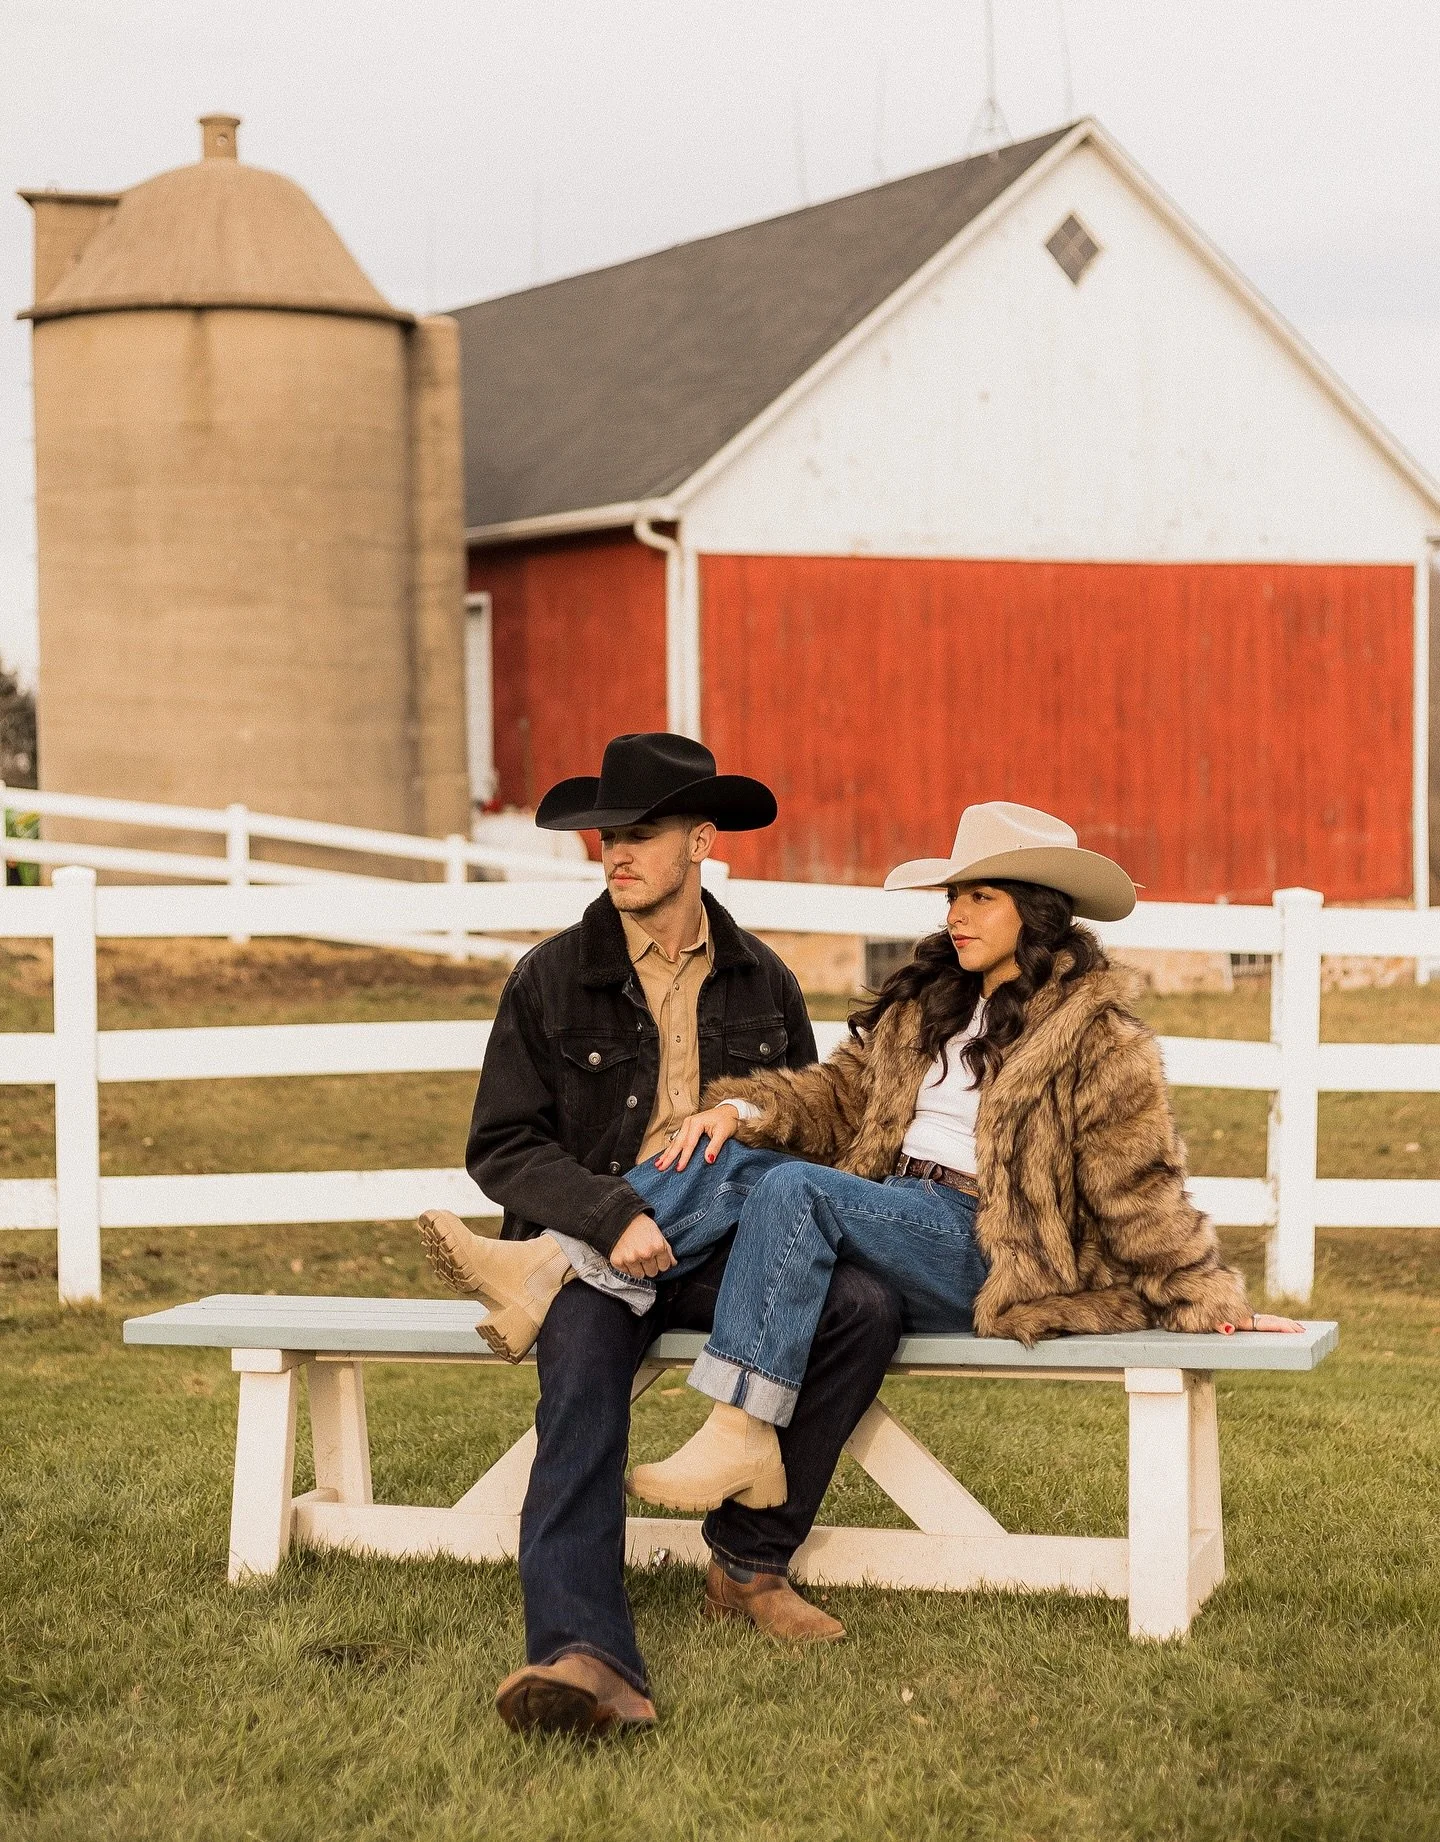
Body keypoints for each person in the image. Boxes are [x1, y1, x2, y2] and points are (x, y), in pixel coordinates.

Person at [418, 733, 903, 1740]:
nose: (615, 855)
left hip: (724, 1248)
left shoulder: (762, 981)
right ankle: (582, 1650)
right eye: (606, 839)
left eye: (639, 836)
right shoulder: (553, 978)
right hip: (610, 1250)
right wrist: (612, 1216)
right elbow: (502, 1147)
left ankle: (749, 1561)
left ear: (702, 842)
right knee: (583, 1365)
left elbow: (808, 1123)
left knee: (864, 1307)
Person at [617, 801, 1303, 1511]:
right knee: (719, 1153)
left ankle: (740, 1429)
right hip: (892, 1211)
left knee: (797, 1189)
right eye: (953, 897)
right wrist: (741, 1111)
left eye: (981, 896)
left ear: (1036, 912)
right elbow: (842, 1099)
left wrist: (1206, 1296)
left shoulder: (1099, 1041)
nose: (957, 916)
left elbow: (1139, 1189)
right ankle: (558, 1258)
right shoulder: (929, 1004)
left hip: (987, 1245)